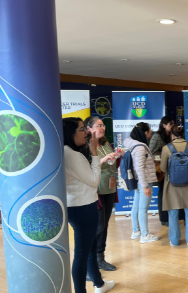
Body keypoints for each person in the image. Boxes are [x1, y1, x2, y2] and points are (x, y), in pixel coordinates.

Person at [64, 118, 118, 293]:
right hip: (83, 207)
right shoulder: (72, 155)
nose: (86, 132)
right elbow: (94, 181)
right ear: (70, 133)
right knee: (82, 253)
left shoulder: (69, 152)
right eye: (81, 129)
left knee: (90, 247)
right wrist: (95, 153)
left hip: (80, 205)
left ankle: (98, 283)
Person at [86, 116, 120, 273]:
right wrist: (105, 159)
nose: (103, 128)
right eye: (99, 125)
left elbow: (112, 163)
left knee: (105, 225)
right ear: (89, 128)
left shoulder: (106, 143)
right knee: (98, 226)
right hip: (97, 191)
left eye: (103, 125)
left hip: (110, 188)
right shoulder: (87, 146)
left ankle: (101, 257)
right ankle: (93, 259)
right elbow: (87, 166)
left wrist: (116, 155)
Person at [159, 125, 188, 246]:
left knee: (173, 213)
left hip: (172, 185)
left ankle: (175, 241)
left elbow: (163, 168)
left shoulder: (166, 148)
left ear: (172, 135)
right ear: (183, 135)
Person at [126, 122, 159, 243]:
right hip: (144, 181)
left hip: (140, 181)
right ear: (145, 133)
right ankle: (145, 235)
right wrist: (145, 186)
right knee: (143, 209)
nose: (152, 133)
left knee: (136, 207)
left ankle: (136, 232)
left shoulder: (135, 145)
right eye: (150, 130)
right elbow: (140, 168)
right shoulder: (140, 147)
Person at [152, 115, 175, 228]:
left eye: (173, 124)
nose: (172, 126)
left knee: (168, 193)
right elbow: (151, 153)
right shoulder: (157, 137)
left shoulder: (169, 136)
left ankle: (169, 217)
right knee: (162, 193)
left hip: (169, 168)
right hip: (161, 169)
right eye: (170, 124)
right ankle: (163, 218)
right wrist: (164, 156)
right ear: (164, 125)